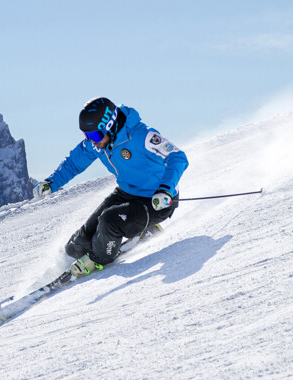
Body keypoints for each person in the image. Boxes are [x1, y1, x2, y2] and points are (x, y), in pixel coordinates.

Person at [33, 97, 189, 277]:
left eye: (95, 135)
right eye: (87, 135)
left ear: (110, 125)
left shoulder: (142, 136)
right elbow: (73, 164)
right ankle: (140, 232)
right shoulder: (97, 144)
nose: (92, 141)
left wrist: (165, 190)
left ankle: (99, 260)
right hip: (126, 193)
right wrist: (51, 183)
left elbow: (178, 157)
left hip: (156, 201)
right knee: (77, 246)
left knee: (109, 221)